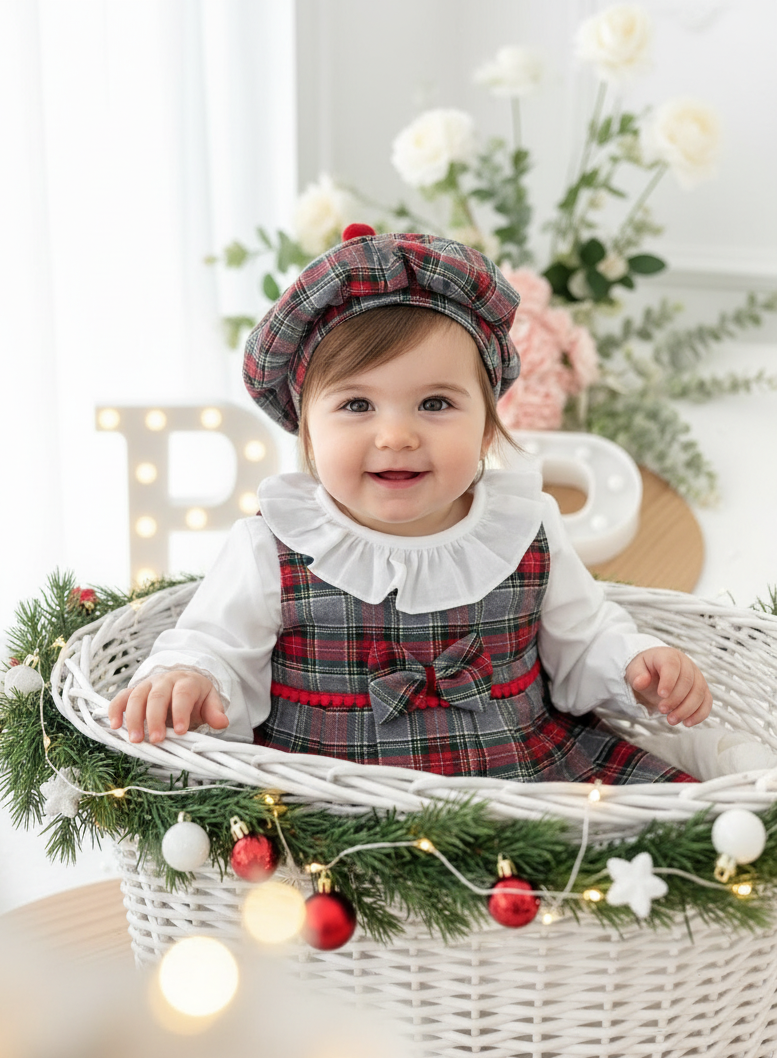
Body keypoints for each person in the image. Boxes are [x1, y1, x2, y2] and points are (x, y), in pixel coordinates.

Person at [108, 225, 711, 783]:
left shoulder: (525, 527)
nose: (396, 436)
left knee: (645, 841)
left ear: (486, 427)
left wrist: (635, 664)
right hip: (331, 800)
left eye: (435, 404)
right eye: (357, 406)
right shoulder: (275, 546)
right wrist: (189, 676)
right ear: (307, 434)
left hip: (523, 783)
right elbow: (215, 644)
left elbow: (583, 639)